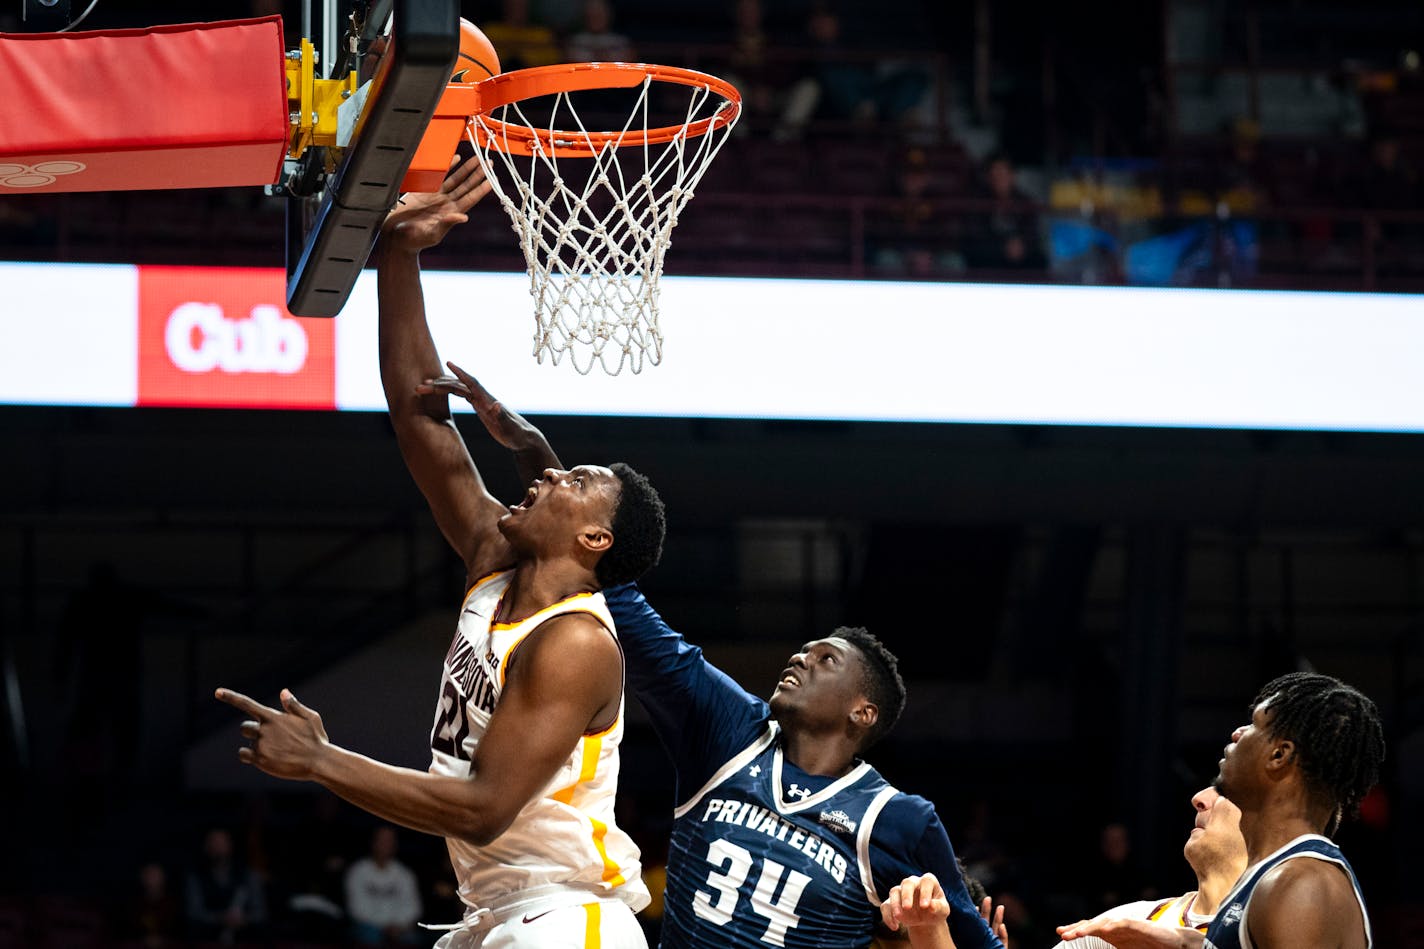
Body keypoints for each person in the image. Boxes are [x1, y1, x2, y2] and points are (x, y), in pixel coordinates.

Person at [214, 157, 667, 948]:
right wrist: (401, 253)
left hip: (565, 918)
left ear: (596, 539)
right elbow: (421, 419)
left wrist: (323, 760)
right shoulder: (497, 560)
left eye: (577, 479)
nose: (552, 472)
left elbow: (483, 806)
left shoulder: (575, 643)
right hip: (495, 912)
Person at [433, 372, 1006, 949]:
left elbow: (973, 940)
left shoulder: (899, 820)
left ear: (863, 712)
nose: (801, 658)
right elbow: (610, 586)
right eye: (803, 649)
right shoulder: (729, 728)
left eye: (825, 659)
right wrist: (537, 455)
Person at [1058, 672, 1384, 949]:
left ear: (1279, 755)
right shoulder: (1269, 879)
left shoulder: (1302, 881)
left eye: (1254, 724)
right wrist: (1186, 942)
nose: (1237, 733)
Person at [1053, 787, 1247, 949]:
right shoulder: (1130, 923)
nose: (1199, 798)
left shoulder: (1267, 925)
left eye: (1225, 789)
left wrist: (1186, 943)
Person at [345, 825, 423, 945]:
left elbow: (413, 907)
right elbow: (356, 908)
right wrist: (384, 927)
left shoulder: (404, 874)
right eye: (381, 840)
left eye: (389, 841)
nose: (385, 845)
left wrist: (398, 926)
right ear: (373, 842)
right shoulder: (358, 871)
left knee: (414, 938)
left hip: (399, 929)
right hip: (368, 928)